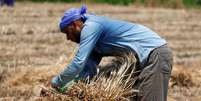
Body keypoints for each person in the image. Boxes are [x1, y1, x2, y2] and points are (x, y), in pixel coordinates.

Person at [51, 5, 173, 101]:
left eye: (68, 32)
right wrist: (70, 87)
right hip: (146, 59)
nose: (68, 38)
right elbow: (87, 71)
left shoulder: (91, 27)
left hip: (155, 54)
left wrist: (56, 82)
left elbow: (78, 62)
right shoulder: (95, 41)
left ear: (75, 24)